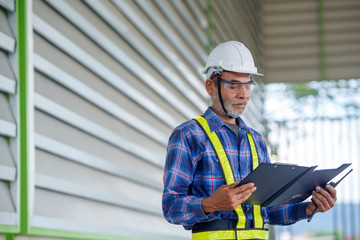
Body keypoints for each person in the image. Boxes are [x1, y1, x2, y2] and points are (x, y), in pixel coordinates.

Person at [162, 41, 337, 240]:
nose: (243, 95)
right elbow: (170, 207)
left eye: (247, 85)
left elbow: (268, 211)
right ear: (210, 86)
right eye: (234, 85)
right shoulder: (188, 135)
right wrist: (210, 203)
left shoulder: (256, 141)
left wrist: (309, 208)